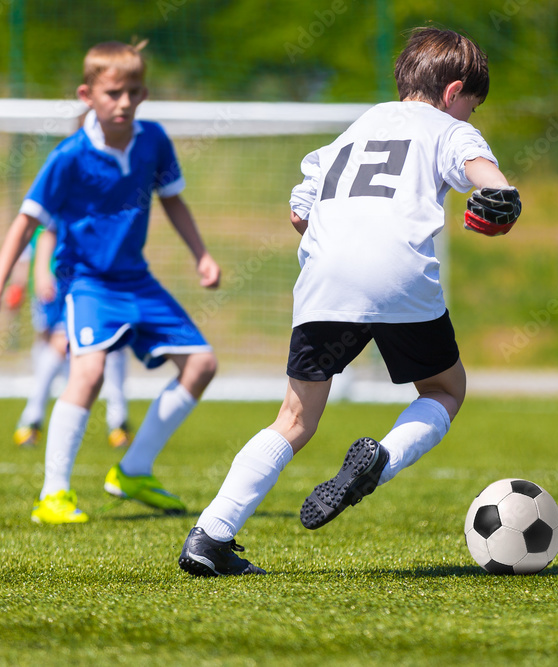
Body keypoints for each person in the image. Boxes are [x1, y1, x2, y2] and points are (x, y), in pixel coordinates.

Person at [179, 26, 521, 577]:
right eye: (471, 108)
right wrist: (503, 193)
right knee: (444, 388)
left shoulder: (357, 127)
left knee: (294, 417)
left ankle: (210, 535)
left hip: (325, 276)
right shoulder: (445, 128)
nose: (469, 120)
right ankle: (379, 463)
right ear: (455, 91)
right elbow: (481, 172)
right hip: (398, 274)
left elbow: (299, 211)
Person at [0, 40, 220, 523]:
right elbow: (25, 223)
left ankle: (134, 469)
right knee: (87, 372)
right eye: (112, 93)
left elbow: (172, 200)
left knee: (202, 364)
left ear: (144, 93)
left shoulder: (154, 141)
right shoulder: (69, 156)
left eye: (131, 91)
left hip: (137, 280)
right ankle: (54, 495)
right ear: (87, 95)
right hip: (87, 283)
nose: (123, 102)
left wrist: (202, 254)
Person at [13, 227, 133, 449]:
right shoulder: (53, 207)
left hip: (99, 283)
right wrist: (32, 277)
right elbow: (35, 239)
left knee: (114, 346)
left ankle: (118, 422)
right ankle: (32, 418)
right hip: (61, 285)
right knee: (55, 345)